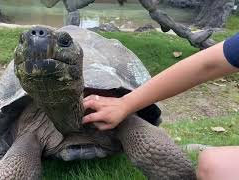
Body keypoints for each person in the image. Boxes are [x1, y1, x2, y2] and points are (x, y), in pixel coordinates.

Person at [82, 33, 239, 180]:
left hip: (126, 121)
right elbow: (207, 64)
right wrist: (124, 103)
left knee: (145, 138)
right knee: (211, 163)